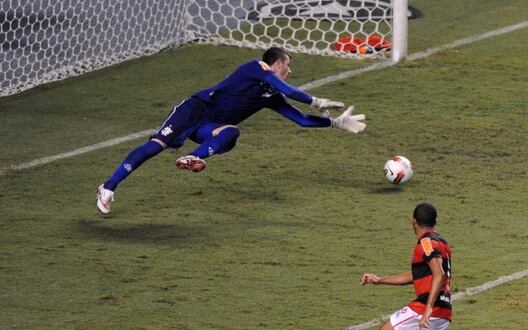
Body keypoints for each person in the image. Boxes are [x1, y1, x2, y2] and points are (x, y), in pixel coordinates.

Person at [96, 46, 366, 214]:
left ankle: (196, 156)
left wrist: (336, 122)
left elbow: (301, 120)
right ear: (274, 62)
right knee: (155, 146)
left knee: (231, 134)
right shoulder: (255, 67)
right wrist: (315, 100)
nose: (290, 70)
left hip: (208, 127)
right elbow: (288, 89)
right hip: (194, 109)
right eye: (287, 64)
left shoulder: (270, 94)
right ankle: (108, 187)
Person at [331, 203, 452, 330]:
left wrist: (428, 308)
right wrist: (380, 280)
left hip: (427, 307)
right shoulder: (440, 242)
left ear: (413, 221)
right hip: (442, 310)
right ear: (435, 222)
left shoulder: (426, 244)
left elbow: (439, 275)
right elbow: (416, 275)